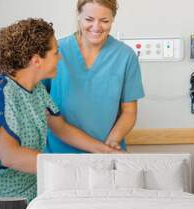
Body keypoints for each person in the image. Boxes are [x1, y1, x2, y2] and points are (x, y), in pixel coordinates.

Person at [0, 18, 118, 209]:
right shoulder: (1, 92)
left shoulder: (37, 90)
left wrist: (105, 152)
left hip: (28, 192)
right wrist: (77, 169)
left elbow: (62, 129)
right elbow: (10, 155)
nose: (60, 57)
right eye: (55, 52)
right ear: (36, 60)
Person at [45, 0, 144, 153]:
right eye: (89, 19)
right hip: (59, 153)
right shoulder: (56, 51)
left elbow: (129, 112)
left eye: (104, 21)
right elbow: (41, 105)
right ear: (78, 16)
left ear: (113, 19)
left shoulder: (125, 56)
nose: (96, 27)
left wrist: (110, 145)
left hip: (107, 151)